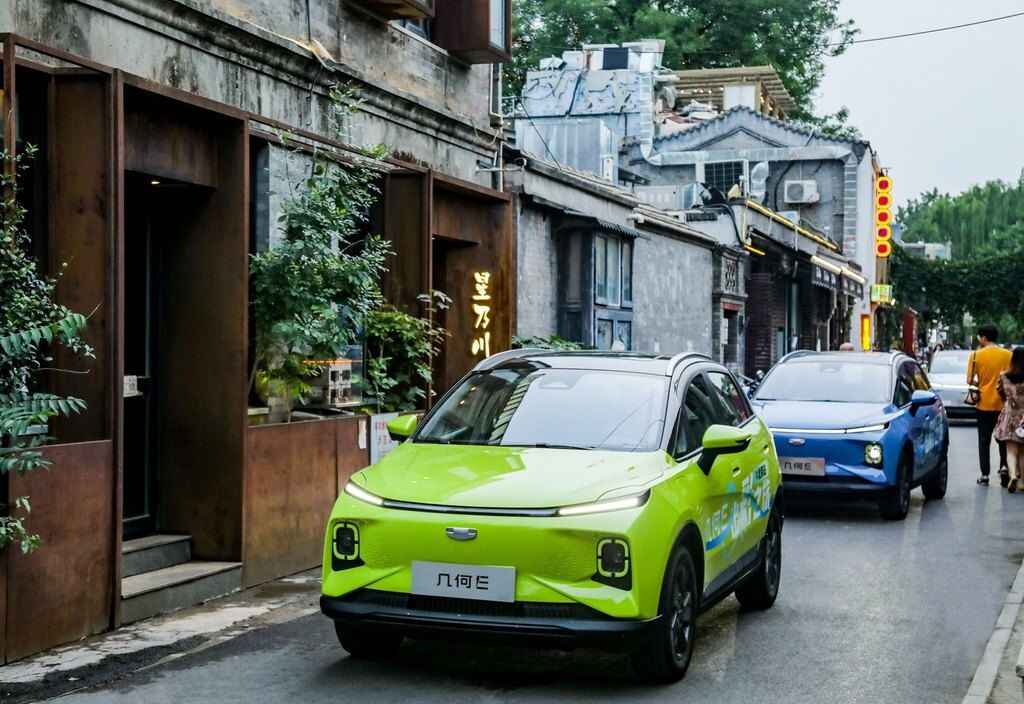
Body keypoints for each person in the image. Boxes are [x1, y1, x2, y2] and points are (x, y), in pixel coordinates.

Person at [969, 324, 1012, 485]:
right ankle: (1004, 467)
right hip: (1003, 404)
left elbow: (969, 379)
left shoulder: (976, 355)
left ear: (984, 338)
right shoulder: (1008, 355)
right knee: (1003, 438)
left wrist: (982, 383)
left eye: (979, 337)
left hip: (983, 404)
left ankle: (985, 475)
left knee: (984, 439)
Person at [995, 348, 1024, 493]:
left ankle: (1012, 475)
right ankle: (1022, 481)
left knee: (1011, 450)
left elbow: (1000, 393)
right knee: (1023, 452)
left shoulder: (1003, 376)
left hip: (1009, 415)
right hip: (1023, 416)